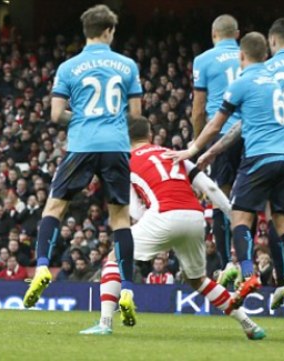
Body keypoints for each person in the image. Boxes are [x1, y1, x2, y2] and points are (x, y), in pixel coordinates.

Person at [80, 116, 265, 340]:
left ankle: (105, 322)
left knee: (114, 257)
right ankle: (249, 324)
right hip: (195, 217)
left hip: (163, 214)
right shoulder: (174, 154)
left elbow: (136, 212)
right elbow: (210, 187)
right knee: (198, 280)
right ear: (149, 135)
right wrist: (232, 215)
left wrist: (158, 232)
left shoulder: (125, 161)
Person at [169, 32, 284, 318]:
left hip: (259, 159)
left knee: (239, 217)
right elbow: (241, 127)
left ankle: (247, 275)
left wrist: (194, 150)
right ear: (265, 55)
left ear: (241, 57)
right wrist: (214, 153)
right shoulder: (275, 82)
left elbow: (215, 124)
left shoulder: (241, 83)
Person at [23, 4, 142, 325]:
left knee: (54, 208)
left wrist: (83, 118)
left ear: (86, 31)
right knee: (120, 219)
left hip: (82, 144)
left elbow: (56, 114)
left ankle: (43, 266)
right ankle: (128, 290)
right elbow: (135, 115)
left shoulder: (68, 67)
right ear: (109, 31)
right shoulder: (127, 65)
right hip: (116, 145)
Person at [192, 14, 242, 273]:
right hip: (250, 135)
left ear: (214, 35)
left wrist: (199, 143)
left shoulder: (203, 60)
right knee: (249, 201)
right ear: (237, 34)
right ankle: (248, 264)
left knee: (220, 197)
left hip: (220, 136)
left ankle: (225, 267)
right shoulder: (249, 57)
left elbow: (199, 109)